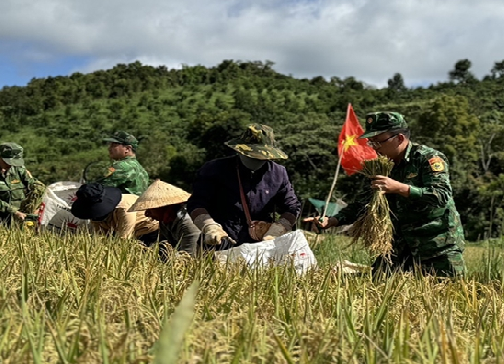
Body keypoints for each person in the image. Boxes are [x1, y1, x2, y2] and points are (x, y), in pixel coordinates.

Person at [307, 111, 466, 277]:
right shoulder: (381, 167)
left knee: (446, 290)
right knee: (377, 285)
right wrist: (333, 220)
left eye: (379, 142)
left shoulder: (427, 159)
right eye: (371, 143)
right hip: (398, 246)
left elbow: (440, 195)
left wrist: (399, 188)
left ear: (399, 138)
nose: (374, 148)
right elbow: (363, 203)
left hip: (435, 243)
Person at [187, 124, 301, 248]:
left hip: (260, 246)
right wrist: (209, 226)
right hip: (219, 242)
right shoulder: (214, 170)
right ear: (239, 151)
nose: (256, 160)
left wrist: (278, 229)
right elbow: (196, 204)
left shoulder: (278, 174)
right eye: (251, 155)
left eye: (262, 157)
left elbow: (292, 207)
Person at [128, 180, 201, 256]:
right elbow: (163, 251)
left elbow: (188, 257)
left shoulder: (189, 222)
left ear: (161, 207)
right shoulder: (165, 222)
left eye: (150, 209)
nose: (147, 214)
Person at [0, 142, 45, 225]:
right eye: (7, 161)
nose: (10, 164)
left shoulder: (18, 168)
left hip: (17, 219)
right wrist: (14, 211)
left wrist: (37, 205)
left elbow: (34, 185)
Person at [71, 183, 159, 240]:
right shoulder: (95, 215)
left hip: (148, 230)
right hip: (119, 229)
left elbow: (124, 239)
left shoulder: (125, 209)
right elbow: (99, 234)